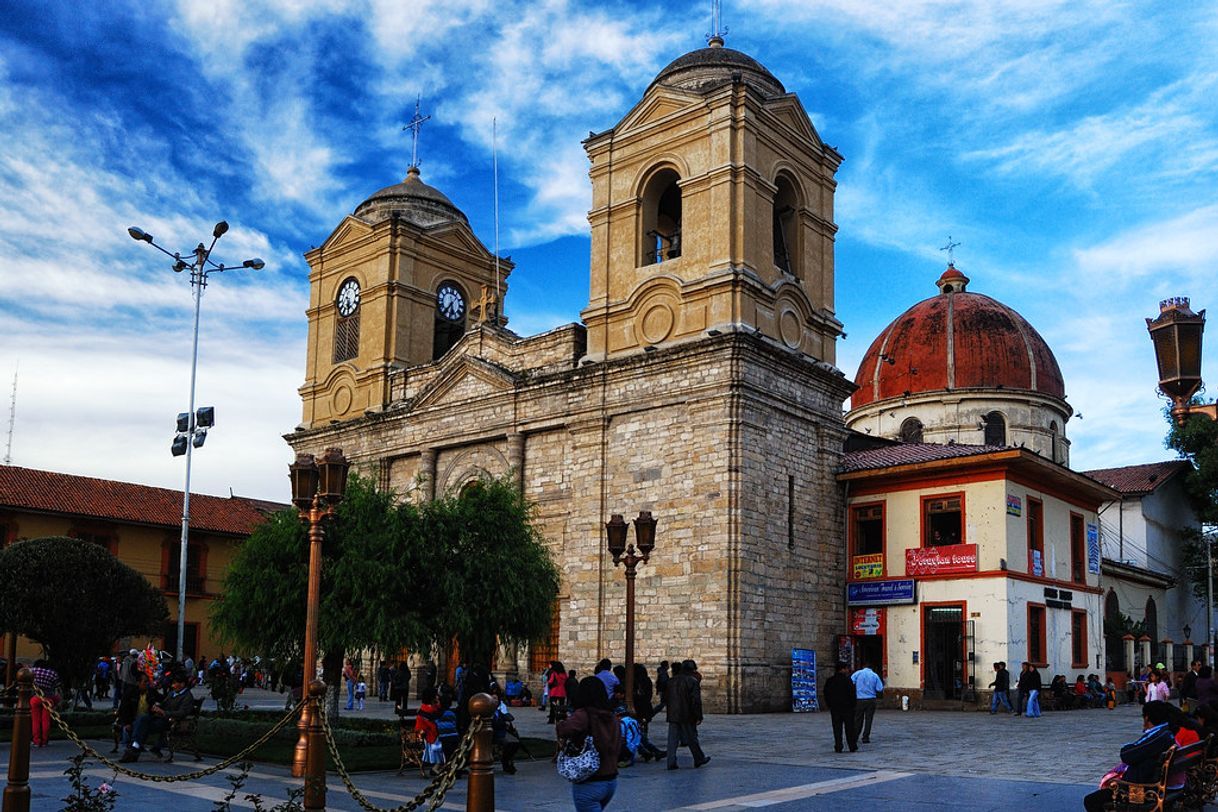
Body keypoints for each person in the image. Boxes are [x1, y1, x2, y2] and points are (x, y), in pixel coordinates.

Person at [1082, 701, 1177, 812]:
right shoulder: (1167, 732)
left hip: (1137, 790)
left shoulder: (1160, 736)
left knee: (1091, 800)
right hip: (1148, 783)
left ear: (1147, 718)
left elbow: (1127, 755)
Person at [556, 675, 621, 811]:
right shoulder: (612, 716)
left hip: (590, 781)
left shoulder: (584, 714)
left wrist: (561, 722)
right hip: (610, 779)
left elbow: (564, 730)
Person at [120, 671, 194, 762]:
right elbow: (163, 703)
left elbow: (182, 712)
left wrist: (164, 712)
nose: (172, 686)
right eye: (172, 683)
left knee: (140, 725)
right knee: (142, 719)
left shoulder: (187, 697)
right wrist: (157, 708)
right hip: (158, 717)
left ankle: (134, 748)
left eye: (175, 683)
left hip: (170, 721)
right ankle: (135, 747)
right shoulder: (172, 693)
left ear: (182, 684)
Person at [665, 660, 709, 769]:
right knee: (692, 738)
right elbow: (696, 700)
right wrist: (698, 716)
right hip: (687, 714)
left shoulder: (671, 681)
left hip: (673, 714)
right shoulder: (692, 681)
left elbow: (666, 698)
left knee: (672, 740)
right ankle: (699, 758)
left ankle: (671, 761)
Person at [823, 661, 858, 752]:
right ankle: (852, 745)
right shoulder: (847, 680)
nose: (847, 670)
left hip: (835, 708)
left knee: (837, 728)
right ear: (842, 669)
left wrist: (829, 704)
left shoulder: (830, 681)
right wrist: (853, 705)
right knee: (850, 727)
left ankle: (838, 746)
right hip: (847, 708)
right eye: (846, 668)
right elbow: (852, 694)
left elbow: (826, 693)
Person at [30, 660, 61, 748]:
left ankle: (36, 740)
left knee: (35, 720)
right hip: (48, 699)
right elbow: (55, 686)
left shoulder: (32, 671)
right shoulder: (52, 674)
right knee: (46, 721)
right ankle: (44, 740)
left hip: (35, 698)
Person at [851, 660, 883, 743]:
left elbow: (851, 682)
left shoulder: (857, 673)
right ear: (872, 668)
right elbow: (879, 688)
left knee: (858, 718)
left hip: (860, 699)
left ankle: (855, 736)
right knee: (869, 719)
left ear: (863, 666)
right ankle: (865, 737)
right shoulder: (875, 675)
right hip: (871, 699)